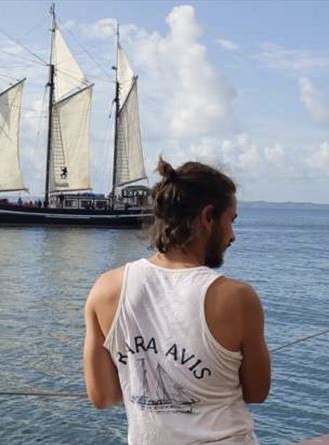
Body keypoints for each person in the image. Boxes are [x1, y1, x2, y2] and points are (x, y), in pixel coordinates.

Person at [83, 158, 270, 445]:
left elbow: (103, 396)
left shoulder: (105, 289)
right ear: (208, 218)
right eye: (230, 221)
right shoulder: (237, 298)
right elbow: (257, 392)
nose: (232, 236)